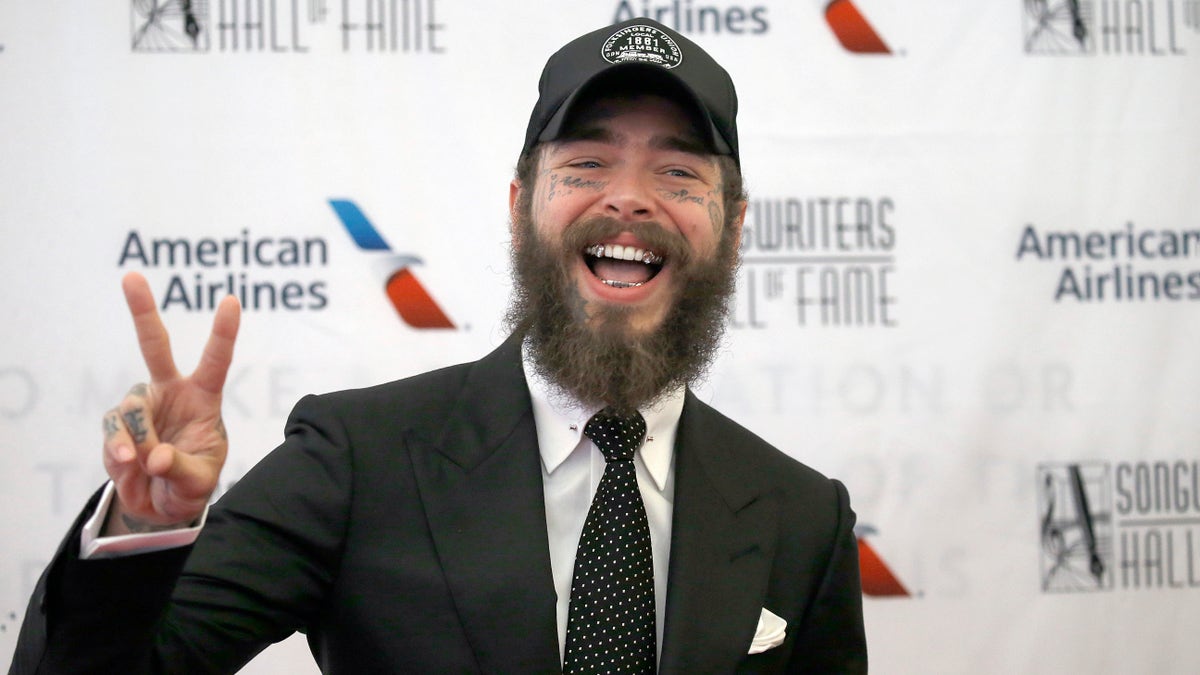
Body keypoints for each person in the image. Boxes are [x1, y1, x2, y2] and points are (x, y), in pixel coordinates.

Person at [10, 18, 866, 674]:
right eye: (586, 166)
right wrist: (142, 529)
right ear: (521, 203)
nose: (630, 200)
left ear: (733, 225)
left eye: (679, 174)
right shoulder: (358, 458)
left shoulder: (804, 515)